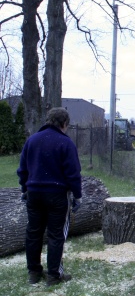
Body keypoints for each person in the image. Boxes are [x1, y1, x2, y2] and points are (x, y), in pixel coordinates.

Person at [17, 107, 82, 286]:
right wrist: (77, 196)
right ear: (64, 123)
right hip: (57, 195)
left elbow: (23, 169)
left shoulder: (32, 140)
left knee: (33, 232)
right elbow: (73, 173)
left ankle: (34, 272)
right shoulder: (65, 143)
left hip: (34, 194)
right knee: (56, 234)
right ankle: (54, 274)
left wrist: (24, 189)